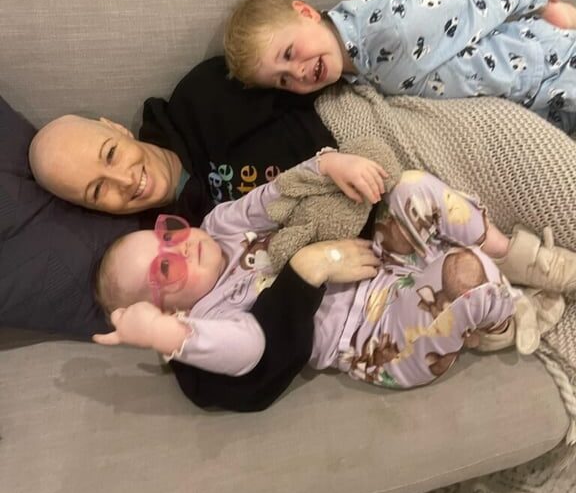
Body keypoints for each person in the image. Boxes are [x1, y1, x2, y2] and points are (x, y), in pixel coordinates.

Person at [92, 151, 573, 406]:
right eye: (166, 267)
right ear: (176, 310)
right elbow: (249, 349)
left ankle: (516, 257)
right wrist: (165, 335)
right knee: (467, 275)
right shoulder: (211, 315)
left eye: (168, 233)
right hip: (374, 336)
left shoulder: (219, 225)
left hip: (378, 259)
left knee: (414, 187)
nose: (180, 246)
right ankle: (504, 320)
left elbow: (274, 195)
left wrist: (327, 164)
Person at [223, 0, 576, 132]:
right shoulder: (352, 76)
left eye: (288, 54)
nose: (297, 73)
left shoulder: (392, 26)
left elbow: (473, 2)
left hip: (547, 64)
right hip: (532, 107)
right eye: (283, 81)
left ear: (305, 12)